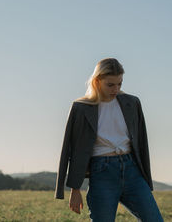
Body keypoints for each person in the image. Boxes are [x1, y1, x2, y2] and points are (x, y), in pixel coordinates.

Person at [55, 58, 164, 222]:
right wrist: (75, 189)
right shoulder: (80, 108)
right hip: (102, 172)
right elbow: (73, 150)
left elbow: (141, 143)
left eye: (119, 83)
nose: (116, 89)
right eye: (110, 84)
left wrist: (144, 176)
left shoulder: (132, 103)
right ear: (97, 81)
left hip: (132, 171)